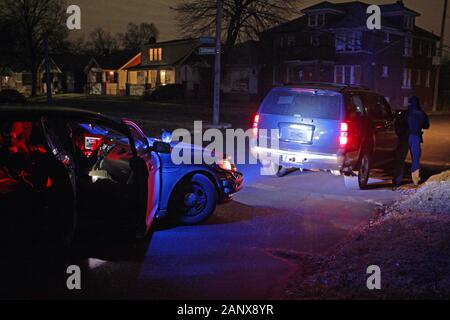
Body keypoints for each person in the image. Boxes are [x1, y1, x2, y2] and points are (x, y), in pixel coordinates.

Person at [407, 96, 430, 185]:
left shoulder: (406, 113)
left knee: (400, 158)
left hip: (405, 137)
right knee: (415, 158)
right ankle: (415, 179)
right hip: (416, 136)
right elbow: (426, 125)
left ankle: (397, 179)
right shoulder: (421, 113)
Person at [392, 109, 409, 189]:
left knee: (399, 159)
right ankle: (397, 180)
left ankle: (397, 180)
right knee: (401, 159)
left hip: (401, 140)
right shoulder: (412, 115)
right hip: (406, 139)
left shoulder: (399, 118)